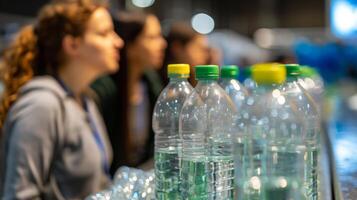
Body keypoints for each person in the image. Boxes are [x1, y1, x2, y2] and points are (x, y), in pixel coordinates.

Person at [0, 0, 123, 198]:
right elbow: (19, 195)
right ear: (72, 44)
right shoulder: (41, 106)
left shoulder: (86, 100)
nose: (118, 42)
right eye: (104, 33)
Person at [92, 12, 167, 172]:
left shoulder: (151, 84)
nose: (163, 44)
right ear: (130, 46)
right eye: (153, 37)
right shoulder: (104, 90)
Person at [162, 22, 210, 86]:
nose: (205, 56)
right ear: (177, 48)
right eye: (198, 49)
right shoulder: (159, 83)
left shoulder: (193, 78)